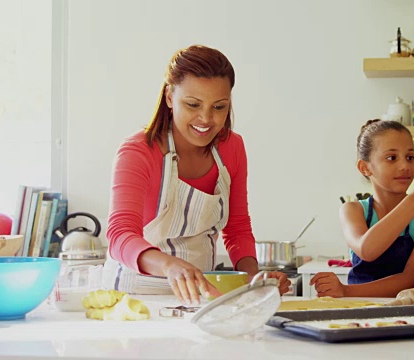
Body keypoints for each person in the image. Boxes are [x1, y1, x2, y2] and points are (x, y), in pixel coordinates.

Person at [102, 45, 290, 305]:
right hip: (134, 300)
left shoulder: (232, 147)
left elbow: (236, 228)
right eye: (193, 104)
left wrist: (254, 280)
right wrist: (170, 266)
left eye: (219, 107)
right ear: (169, 96)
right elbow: (120, 235)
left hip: (200, 301)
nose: (206, 118)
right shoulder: (138, 151)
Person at [310, 120, 414, 297]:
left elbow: (412, 279)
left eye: (410, 157)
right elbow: (367, 250)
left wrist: (346, 290)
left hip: (408, 313)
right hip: (358, 311)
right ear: (365, 168)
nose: (405, 166)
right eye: (392, 158)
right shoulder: (352, 210)